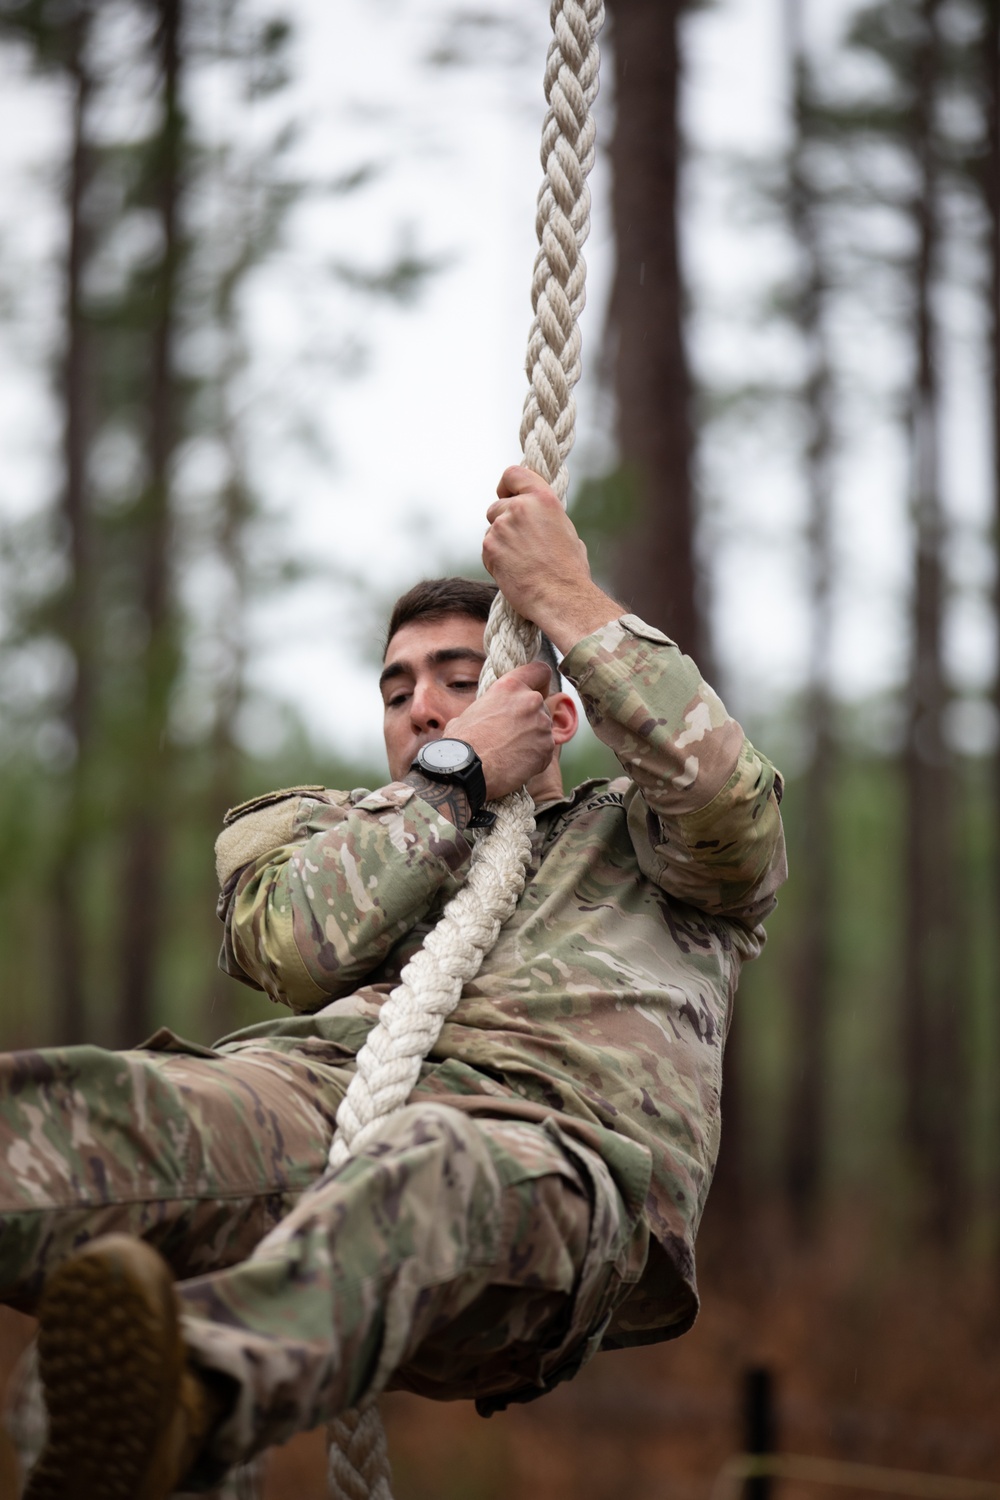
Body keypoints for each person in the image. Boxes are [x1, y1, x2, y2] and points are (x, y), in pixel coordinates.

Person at [5, 466, 786, 1500]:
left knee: (429, 1158)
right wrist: (452, 785)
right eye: (396, 688)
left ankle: (179, 1396)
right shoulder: (335, 833)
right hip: (319, 1122)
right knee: (65, 1115)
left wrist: (565, 600)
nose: (421, 706)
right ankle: (147, 1419)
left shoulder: (647, 850)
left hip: (555, 1176)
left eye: (458, 677)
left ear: (553, 713)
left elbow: (729, 815)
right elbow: (290, 943)